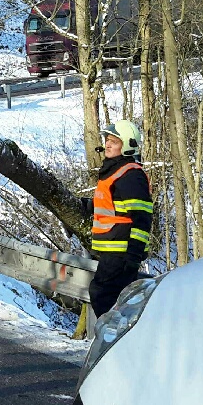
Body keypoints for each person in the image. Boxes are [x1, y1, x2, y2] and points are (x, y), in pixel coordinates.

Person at [86, 120, 153, 318]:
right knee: (108, 298)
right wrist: (87, 205)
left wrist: (133, 255)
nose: (107, 144)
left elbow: (142, 218)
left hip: (122, 253)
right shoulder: (116, 171)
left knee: (102, 295)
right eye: (107, 140)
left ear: (127, 146)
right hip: (114, 251)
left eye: (114, 141)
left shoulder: (130, 175)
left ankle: (113, 336)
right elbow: (113, 205)